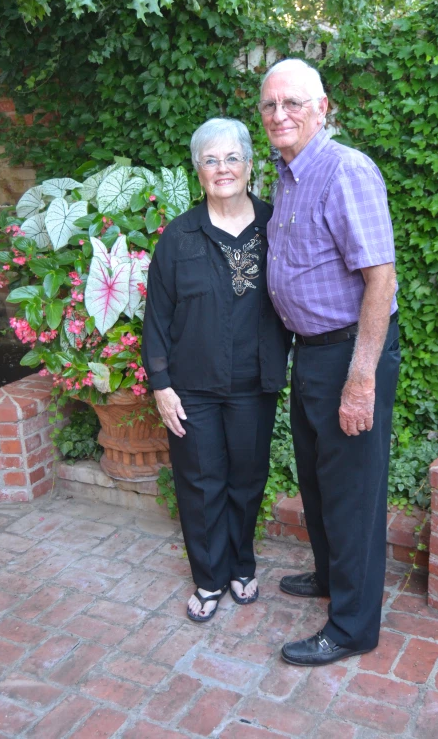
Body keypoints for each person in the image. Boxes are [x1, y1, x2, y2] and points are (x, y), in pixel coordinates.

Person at [259, 59, 401, 665]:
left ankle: (352, 627)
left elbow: (381, 278)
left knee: (352, 492)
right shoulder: (287, 175)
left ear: (322, 108)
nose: (279, 115)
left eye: (292, 103)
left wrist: (361, 377)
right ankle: (328, 576)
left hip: (350, 353)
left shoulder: (345, 169)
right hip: (311, 352)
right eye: (269, 105)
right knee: (319, 481)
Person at [142, 117, 290, 622]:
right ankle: (209, 578)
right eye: (211, 160)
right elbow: (157, 318)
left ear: (249, 165)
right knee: (201, 485)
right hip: (193, 388)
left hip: (254, 385)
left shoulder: (277, 226)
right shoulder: (178, 237)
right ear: (197, 170)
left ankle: (241, 565)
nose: (222, 168)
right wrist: (160, 384)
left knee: (247, 481)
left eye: (232, 158)